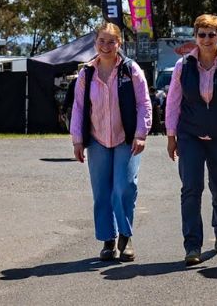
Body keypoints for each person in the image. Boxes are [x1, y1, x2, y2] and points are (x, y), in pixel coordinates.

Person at [165, 14, 217, 265]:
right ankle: (192, 246)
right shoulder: (183, 66)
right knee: (191, 189)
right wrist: (171, 137)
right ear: (195, 37)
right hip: (190, 136)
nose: (206, 39)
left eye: (211, 34)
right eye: (201, 34)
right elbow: (172, 103)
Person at [70, 22, 152, 262]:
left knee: (123, 187)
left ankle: (125, 237)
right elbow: (78, 108)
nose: (106, 46)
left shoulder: (131, 70)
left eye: (111, 41)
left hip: (126, 139)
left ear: (119, 43)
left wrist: (141, 133)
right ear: (95, 43)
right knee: (102, 192)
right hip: (96, 140)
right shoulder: (86, 72)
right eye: (101, 41)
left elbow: (144, 103)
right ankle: (108, 240)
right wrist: (77, 140)